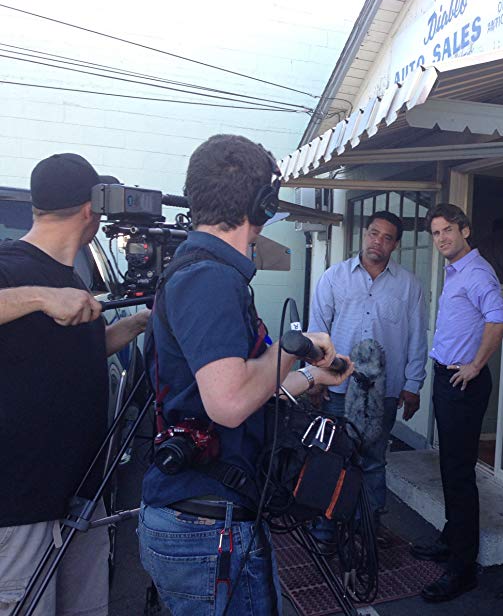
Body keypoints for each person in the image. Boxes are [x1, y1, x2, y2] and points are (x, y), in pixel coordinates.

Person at [137, 134, 352, 616]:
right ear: (264, 203)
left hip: (209, 523)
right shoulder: (209, 278)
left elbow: (243, 384)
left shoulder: (208, 272)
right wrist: (297, 349)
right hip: (206, 530)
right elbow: (230, 401)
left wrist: (312, 379)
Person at [0, 153, 150, 616]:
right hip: (22, 505)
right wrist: (43, 297)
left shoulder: (70, 278)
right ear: (91, 211)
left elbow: (73, 354)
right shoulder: (13, 265)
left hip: (83, 496)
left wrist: (142, 321)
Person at [308, 210, 428, 544]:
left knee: (374, 463)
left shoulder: (409, 286)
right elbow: (317, 333)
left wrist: (412, 386)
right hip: (338, 388)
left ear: (396, 245)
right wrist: (315, 379)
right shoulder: (334, 278)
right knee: (333, 459)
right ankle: (325, 530)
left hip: (383, 393)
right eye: (374, 233)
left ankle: (368, 530)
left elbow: (418, 337)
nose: (379, 241)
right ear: (365, 234)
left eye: (387, 237)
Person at [410, 203, 503, 602]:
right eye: (435, 233)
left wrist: (474, 365)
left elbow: (498, 318)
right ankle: (452, 540)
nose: (441, 239)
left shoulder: (477, 271)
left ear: (465, 230)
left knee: (459, 475)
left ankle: (462, 568)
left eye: (448, 230)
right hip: (447, 378)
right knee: (450, 469)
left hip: (462, 382)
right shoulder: (456, 272)